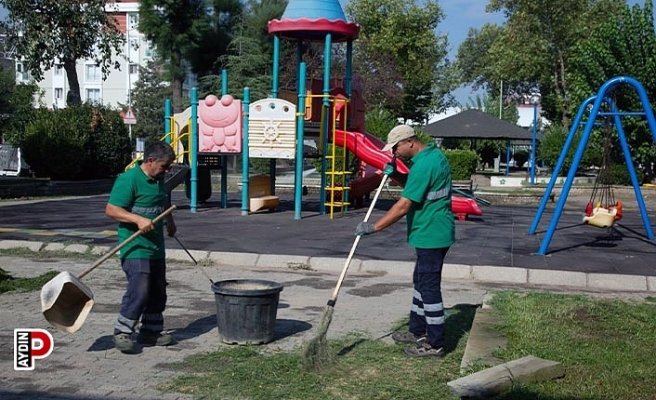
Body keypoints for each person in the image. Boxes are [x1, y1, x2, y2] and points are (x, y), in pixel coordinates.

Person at [355, 125, 455, 358]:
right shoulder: (431, 157)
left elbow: (404, 205)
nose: (394, 153)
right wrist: (397, 175)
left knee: (429, 287)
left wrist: (374, 227)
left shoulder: (424, 165)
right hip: (431, 230)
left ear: (410, 142)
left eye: (396, 148)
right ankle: (417, 330)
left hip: (431, 233)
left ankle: (435, 343)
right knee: (420, 281)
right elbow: (417, 186)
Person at [105, 141, 177, 354]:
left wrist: (170, 222)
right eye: (164, 166)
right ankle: (122, 331)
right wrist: (137, 219)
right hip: (134, 245)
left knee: (158, 290)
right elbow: (111, 210)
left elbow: (163, 201)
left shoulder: (159, 179)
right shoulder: (129, 179)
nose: (167, 170)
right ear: (150, 161)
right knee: (140, 288)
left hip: (156, 246)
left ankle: (151, 332)